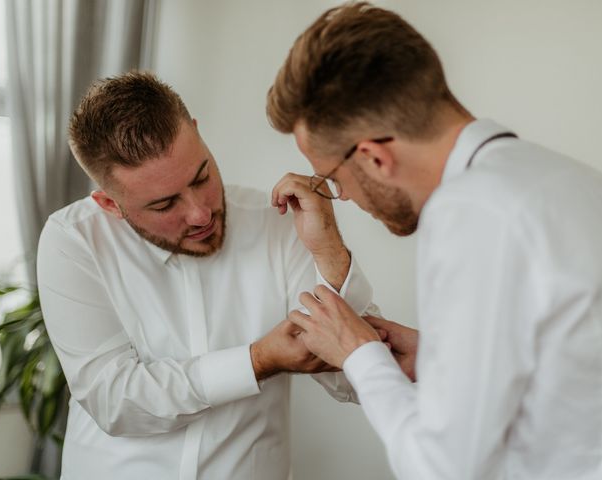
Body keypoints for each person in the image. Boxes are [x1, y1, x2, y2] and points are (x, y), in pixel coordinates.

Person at [267, 2, 602, 479]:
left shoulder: (471, 215)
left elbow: (441, 468)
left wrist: (360, 357)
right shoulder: (574, 180)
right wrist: (439, 356)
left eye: (332, 178)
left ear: (373, 158)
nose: (344, 198)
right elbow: (579, 369)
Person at [36, 71, 377, 479]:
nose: (200, 213)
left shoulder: (278, 224)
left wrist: (330, 253)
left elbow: (356, 380)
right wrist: (256, 361)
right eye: (164, 205)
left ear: (197, 133)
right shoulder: (74, 241)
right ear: (110, 203)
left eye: (202, 177)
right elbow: (114, 400)